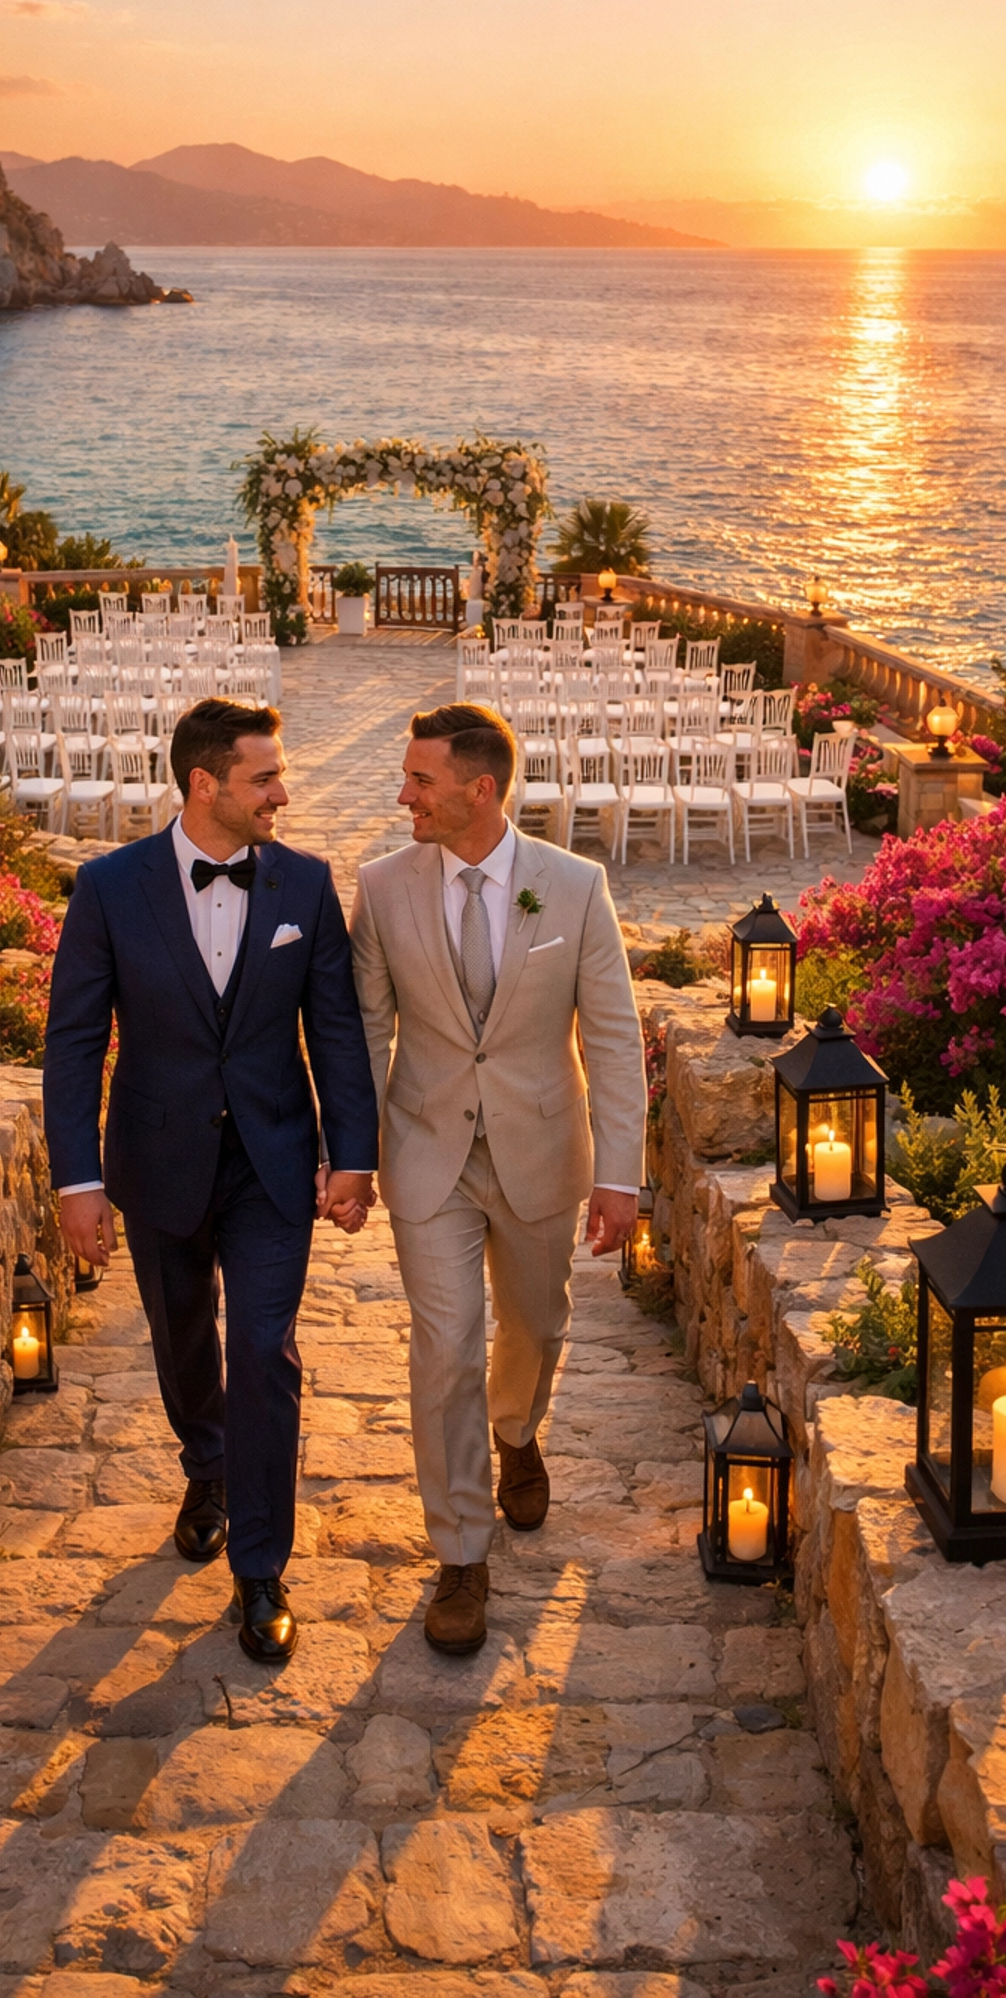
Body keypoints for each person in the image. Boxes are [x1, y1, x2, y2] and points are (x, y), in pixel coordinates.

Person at [43, 698, 377, 1664]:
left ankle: (262, 1570)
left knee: (264, 1352)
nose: (283, 792)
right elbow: (74, 1045)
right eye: (265, 777)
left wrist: (352, 1156)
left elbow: (338, 1032)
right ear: (205, 784)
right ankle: (208, 1466)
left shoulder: (307, 887)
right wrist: (76, 1181)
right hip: (156, 1158)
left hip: (274, 1162)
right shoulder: (109, 888)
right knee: (183, 1336)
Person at [350, 701, 645, 1654]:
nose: (404, 795)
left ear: (480, 790)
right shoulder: (382, 888)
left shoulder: (574, 887)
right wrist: (352, 1157)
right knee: (444, 1349)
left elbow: (611, 1037)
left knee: (537, 1322)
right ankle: (461, 1552)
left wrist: (622, 1175)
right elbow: (362, 1034)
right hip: (428, 1154)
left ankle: (518, 1432)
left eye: (420, 780)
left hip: (541, 1152)